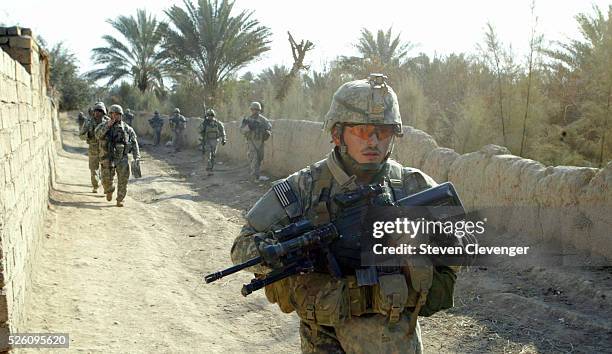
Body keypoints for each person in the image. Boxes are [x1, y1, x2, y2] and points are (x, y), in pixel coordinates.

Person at [230, 74, 459, 353]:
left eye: (383, 132)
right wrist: (284, 254)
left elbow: (461, 246)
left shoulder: (411, 185)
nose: (373, 141)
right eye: (362, 131)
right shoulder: (305, 186)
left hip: (391, 337)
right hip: (322, 336)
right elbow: (241, 248)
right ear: (337, 133)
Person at [95, 104, 141, 207]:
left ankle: (120, 199)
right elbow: (97, 135)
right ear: (110, 115)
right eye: (113, 114)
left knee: (123, 180)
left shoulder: (127, 129)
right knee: (106, 180)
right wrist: (108, 126)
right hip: (107, 157)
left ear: (121, 115)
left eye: (117, 114)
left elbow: (134, 143)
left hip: (122, 158)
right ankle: (109, 189)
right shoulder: (103, 125)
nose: (115, 116)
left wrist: (136, 156)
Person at [78, 102, 107, 193]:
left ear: (103, 112)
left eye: (100, 111)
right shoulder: (88, 121)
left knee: (106, 169)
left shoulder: (108, 122)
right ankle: (95, 185)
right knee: (94, 169)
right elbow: (81, 135)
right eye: (96, 111)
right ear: (93, 112)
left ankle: (106, 187)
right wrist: (88, 135)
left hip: (105, 149)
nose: (98, 113)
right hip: (93, 149)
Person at [240, 101, 271, 180]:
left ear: (259, 110)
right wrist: (249, 127)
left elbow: (269, 128)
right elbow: (241, 130)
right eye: (254, 109)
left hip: (260, 141)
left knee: (260, 158)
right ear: (251, 110)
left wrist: (267, 132)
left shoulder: (263, 120)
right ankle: (255, 177)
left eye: (257, 110)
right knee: (254, 158)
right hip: (251, 141)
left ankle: (255, 172)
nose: (255, 111)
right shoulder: (248, 119)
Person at [199, 108, 226, 175]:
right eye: (209, 115)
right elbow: (199, 130)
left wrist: (224, 139)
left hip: (215, 140)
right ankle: (208, 167)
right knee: (208, 154)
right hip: (207, 140)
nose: (210, 117)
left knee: (213, 155)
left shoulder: (217, 123)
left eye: (212, 115)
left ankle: (211, 167)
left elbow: (222, 131)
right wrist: (203, 124)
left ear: (214, 115)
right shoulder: (205, 122)